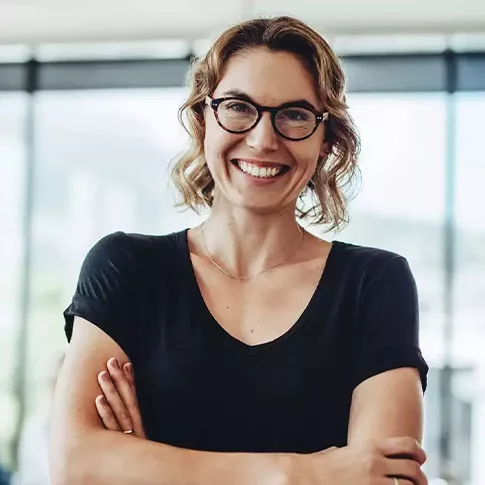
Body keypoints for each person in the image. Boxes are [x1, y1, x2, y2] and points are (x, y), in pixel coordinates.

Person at [50, 15, 429, 485]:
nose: (263, 139)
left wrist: (145, 464)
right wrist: (298, 473)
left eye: (294, 114)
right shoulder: (128, 269)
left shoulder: (375, 283)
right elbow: (74, 463)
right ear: (202, 120)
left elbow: (383, 482)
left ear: (326, 140)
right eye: (237, 107)